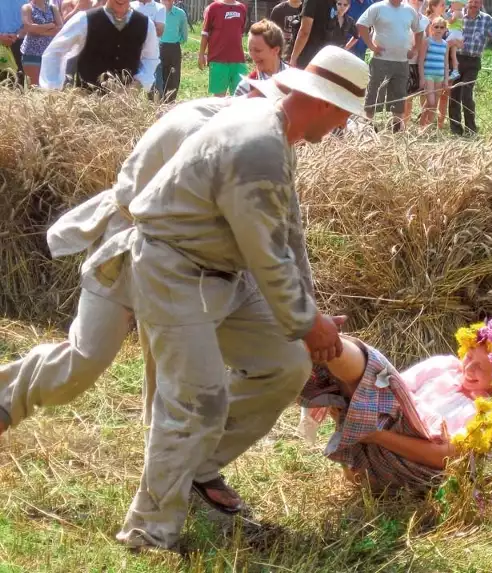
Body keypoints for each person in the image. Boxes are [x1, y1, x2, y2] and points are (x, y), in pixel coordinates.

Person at [0, 46, 369, 551]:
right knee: (173, 392)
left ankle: (194, 469)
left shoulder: (272, 133)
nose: (346, 125)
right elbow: (266, 252)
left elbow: (286, 234)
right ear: (326, 103)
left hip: (215, 272)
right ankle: (149, 530)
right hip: (170, 267)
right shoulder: (253, 143)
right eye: (347, 113)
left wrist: (308, 314)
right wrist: (308, 323)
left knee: (282, 364)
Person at [298, 319, 492, 491]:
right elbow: (391, 386)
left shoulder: (490, 413)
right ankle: (318, 345)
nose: (468, 369)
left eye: (481, 368)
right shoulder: (443, 366)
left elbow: (445, 458)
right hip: (381, 422)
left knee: (366, 368)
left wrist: (376, 436)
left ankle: (324, 344)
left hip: (404, 463)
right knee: (365, 369)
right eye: (469, 357)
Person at [39, 0, 159, 91]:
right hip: (87, 105)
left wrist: (134, 88)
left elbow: (151, 59)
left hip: (126, 109)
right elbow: (54, 52)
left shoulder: (146, 24)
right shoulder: (84, 19)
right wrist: (53, 88)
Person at [448, 0, 492, 137]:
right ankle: (455, 129)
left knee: (466, 93)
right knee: (454, 94)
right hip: (456, 60)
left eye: (477, 2)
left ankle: (471, 129)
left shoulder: (486, 19)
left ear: (481, 3)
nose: (474, 5)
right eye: (472, 1)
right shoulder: (457, 15)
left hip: (473, 62)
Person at [357, 0, 422, 131]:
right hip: (381, 60)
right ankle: (367, 128)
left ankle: (397, 129)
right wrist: (371, 46)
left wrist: (415, 49)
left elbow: (419, 31)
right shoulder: (378, 7)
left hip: (402, 62)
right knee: (373, 94)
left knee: (399, 96)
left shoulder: (409, 10)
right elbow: (361, 24)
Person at [198, 0, 247, 96]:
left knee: (240, 97)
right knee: (219, 99)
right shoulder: (213, 7)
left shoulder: (242, 8)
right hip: (218, 60)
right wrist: (201, 54)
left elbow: (240, 32)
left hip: (238, 60)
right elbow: (205, 33)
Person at [234, 19, 288, 97]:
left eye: (258, 50)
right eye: (250, 50)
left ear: (276, 50)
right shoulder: (246, 87)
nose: (252, 55)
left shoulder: (296, 80)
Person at [20, 0, 62, 86]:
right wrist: (49, 26)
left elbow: (60, 28)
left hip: (50, 53)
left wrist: (38, 30)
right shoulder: (27, 7)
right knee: (34, 86)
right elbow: (29, 27)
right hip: (31, 52)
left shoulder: (53, 8)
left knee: (50, 86)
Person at [418, 15, 448, 127]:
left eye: (441, 27)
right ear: (432, 28)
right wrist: (421, 78)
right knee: (430, 101)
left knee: (435, 103)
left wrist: (446, 79)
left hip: (439, 76)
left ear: (445, 29)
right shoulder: (427, 41)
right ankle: (421, 125)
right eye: (436, 27)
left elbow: (446, 63)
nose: (439, 29)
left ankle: (428, 127)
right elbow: (421, 60)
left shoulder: (445, 44)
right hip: (428, 74)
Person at [403, 0, 428, 124]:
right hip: (400, 61)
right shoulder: (401, 14)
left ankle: (405, 127)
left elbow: (425, 43)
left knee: (410, 98)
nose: (418, 1)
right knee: (402, 98)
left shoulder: (425, 20)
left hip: (417, 63)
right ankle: (399, 126)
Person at [289, 0, 333, 69]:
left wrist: (293, 58)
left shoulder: (310, 1)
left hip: (306, 56)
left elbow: (304, 31)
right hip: (324, 57)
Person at [159, 0, 188, 101]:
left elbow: (184, 35)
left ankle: (170, 102)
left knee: (173, 77)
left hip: (174, 49)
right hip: (158, 48)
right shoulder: (156, 12)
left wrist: (175, 40)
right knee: (159, 76)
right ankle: (157, 103)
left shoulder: (180, 14)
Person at [0, 0, 27, 85]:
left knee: (19, 81)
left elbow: (31, 20)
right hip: (2, 42)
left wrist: (17, 36)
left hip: (20, 43)